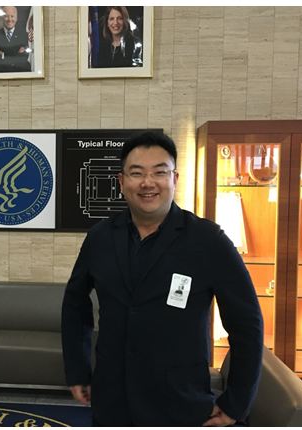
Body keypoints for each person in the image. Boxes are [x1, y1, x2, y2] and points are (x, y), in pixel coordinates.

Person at [61, 131, 263, 426]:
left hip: (180, 401)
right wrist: (77, 370)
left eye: (159, 172)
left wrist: (237, 402)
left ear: (174, 179)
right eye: (137, 173)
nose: (148, 183)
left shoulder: (208, 240)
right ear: (121, 181)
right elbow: (74, 304)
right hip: (112, 398)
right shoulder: (100, 237)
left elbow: (247, 324)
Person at [0, 6, 32, 73]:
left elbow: (24, 58)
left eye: (12, 16)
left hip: (20, 72)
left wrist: (3, 56)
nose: (9, 19)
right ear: (2, 18)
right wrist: (16, 54)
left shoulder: (24, 35)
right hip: (1, 73)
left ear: (16, 18)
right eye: (6, 16)